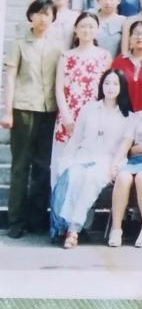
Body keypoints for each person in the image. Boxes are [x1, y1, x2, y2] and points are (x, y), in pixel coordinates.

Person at [49, 69, 131, 248]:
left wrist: (114, 166)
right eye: (107, 83)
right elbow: (76, 138)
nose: (110, 87)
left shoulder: (127, 115)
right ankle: (64, 226)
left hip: (107, 161)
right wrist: (67, 160)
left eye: (115, 83)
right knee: (73, 176)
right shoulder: (89, 109)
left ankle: (74, 230)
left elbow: (123, 148)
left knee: (90, 180)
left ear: (122, 87)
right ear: (102, 85)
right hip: (82, 156)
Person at [2, 0, 62, 239]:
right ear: (30, 16)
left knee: (42, 166)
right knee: (20, 167)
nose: (42, 18)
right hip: (23, 107)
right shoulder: (19, 44)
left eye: (47, 14)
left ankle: (37, 217)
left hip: (49, 110)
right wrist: (7, 111)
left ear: (52, 18)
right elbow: (10, 78)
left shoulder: (57, 46)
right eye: (38, 14)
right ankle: (16, 220)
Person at [53, 13, 114, 185]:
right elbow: (58, 88)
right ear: (75, 29)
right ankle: (59, 210)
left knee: (87, 168)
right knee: (63, 164)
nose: (87, 30)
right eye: (83, 26)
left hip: (95, 117)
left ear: (97, 30)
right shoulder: (66, 56)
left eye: (91, 26)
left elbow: (107, 90)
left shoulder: (105, 56)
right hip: (69, 115)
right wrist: (66, 116)